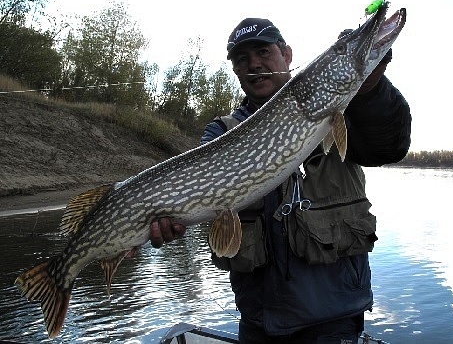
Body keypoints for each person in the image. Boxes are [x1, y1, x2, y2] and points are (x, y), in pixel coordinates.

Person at [149, 18, 412, 343]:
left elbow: (390, 144)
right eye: (242, 59)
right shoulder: (221, 131)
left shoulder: (345, 108)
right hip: (259, 323)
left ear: (287, 54)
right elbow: (191, 187)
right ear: (235, 70)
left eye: (263, 51)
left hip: (333, 320)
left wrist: (372, 87)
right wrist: (165, 219)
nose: (254, 63)